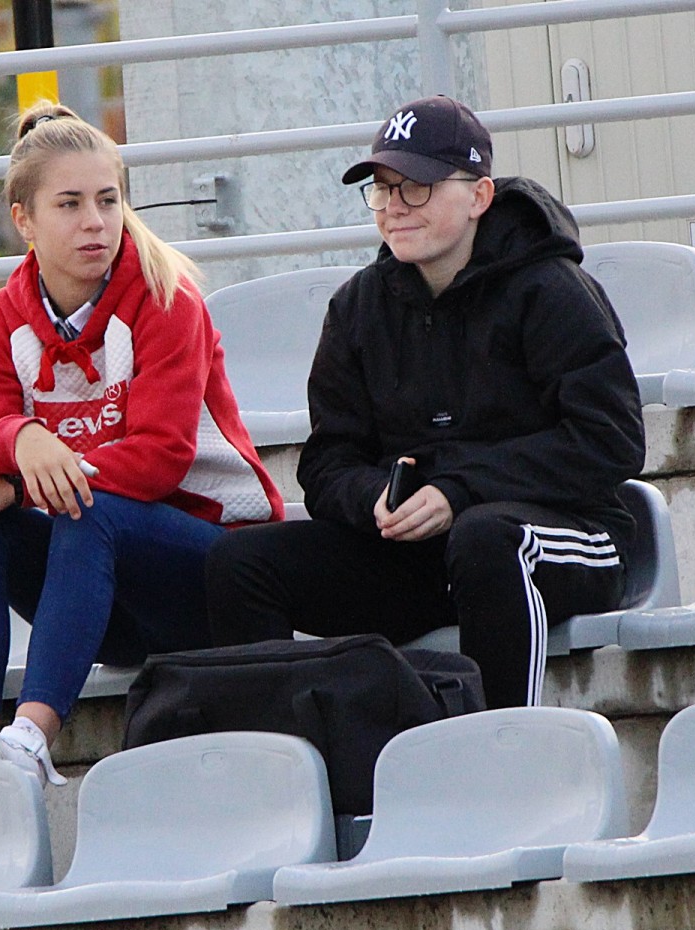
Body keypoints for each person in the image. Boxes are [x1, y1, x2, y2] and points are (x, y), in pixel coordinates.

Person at [0, 101, 283, 784]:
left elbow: (159, 460)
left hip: (215, 580)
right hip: (109, 602)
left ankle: (31, 742)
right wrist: (20, 438)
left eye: (107, 200)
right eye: (69, 204)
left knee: (87, 509)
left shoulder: (167, 299)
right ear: (24, 220)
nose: (95, 221)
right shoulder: (7, 317)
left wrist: (15, 483)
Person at [205, 95, 645, 710]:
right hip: (419, 556)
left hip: (563, 537)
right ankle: (290, 759)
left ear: (479, 196)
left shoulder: (551, 290)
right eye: (383, 189)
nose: (394, 207)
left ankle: (501, 750)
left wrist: (459, 490)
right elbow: (328, 463)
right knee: (240, 564)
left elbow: (610, 441)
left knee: (486, 540)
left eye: (417, 188)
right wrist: (377, 498)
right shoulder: (359, 307)